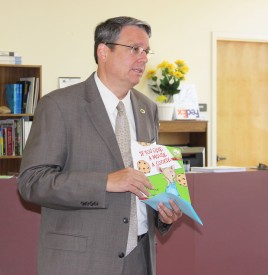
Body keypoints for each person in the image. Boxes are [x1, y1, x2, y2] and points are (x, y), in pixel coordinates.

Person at [17, 16, 182, 275]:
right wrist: (105, 182)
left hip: (140, 258)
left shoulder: (146, 108)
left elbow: (149, 175)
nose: (144, 58)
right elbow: (32, 183)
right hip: (82, 261)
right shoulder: (59, 106)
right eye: (134, 49)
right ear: (103, 51)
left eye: (146, 51)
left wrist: (163, 212)